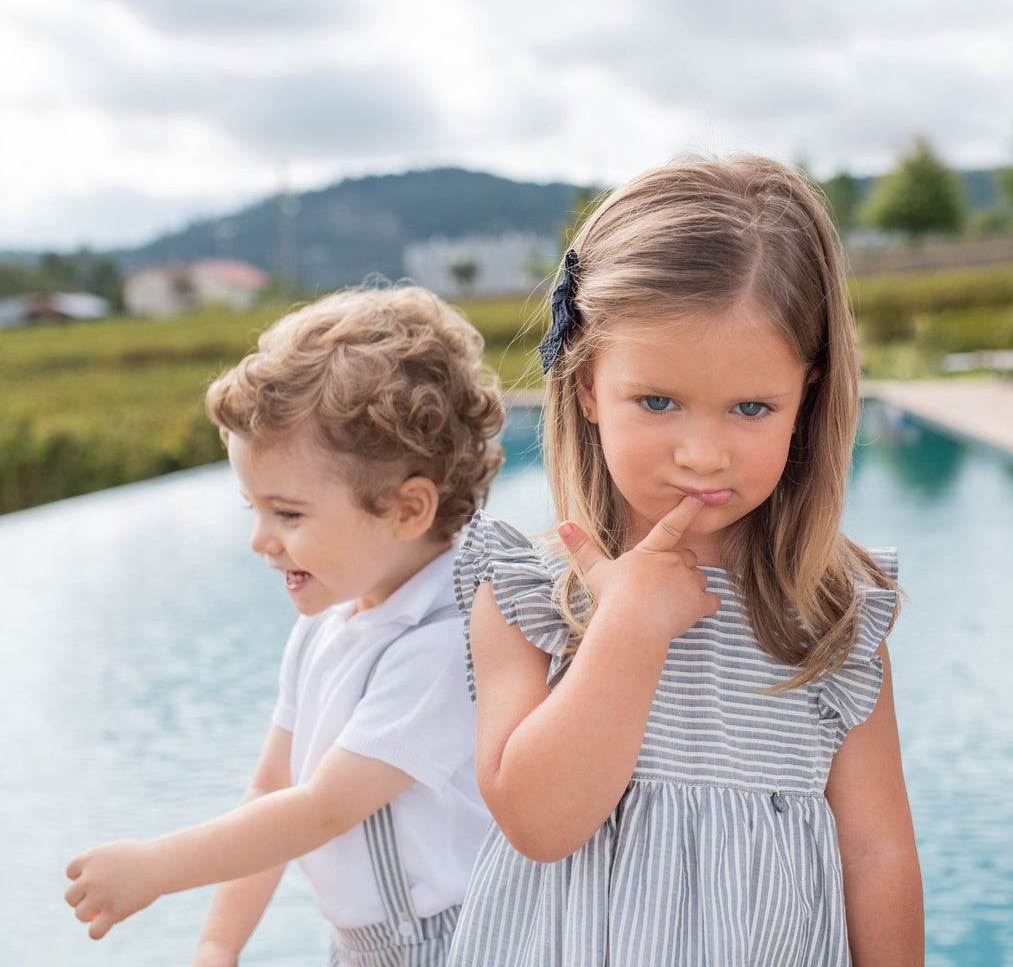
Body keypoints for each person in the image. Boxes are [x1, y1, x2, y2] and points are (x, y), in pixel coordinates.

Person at [448, 156, 923, 966]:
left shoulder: (830, 616)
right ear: (588, 383)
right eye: (658, 401)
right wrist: (628, 626)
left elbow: (877, 856)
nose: (703, 455)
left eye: (751, 408)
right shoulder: (532, 595)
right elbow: (538, 823)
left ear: (805, 398)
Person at [64, 286, 504, 967]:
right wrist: (219, 944)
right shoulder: (327, 627)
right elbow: (271, 792)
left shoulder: (445, 647)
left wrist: (157, 867)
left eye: (288, 514)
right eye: (253, 508)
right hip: (361, 947)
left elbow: (323, 809)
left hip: (457, 942)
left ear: (407, 508)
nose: (260, 540)